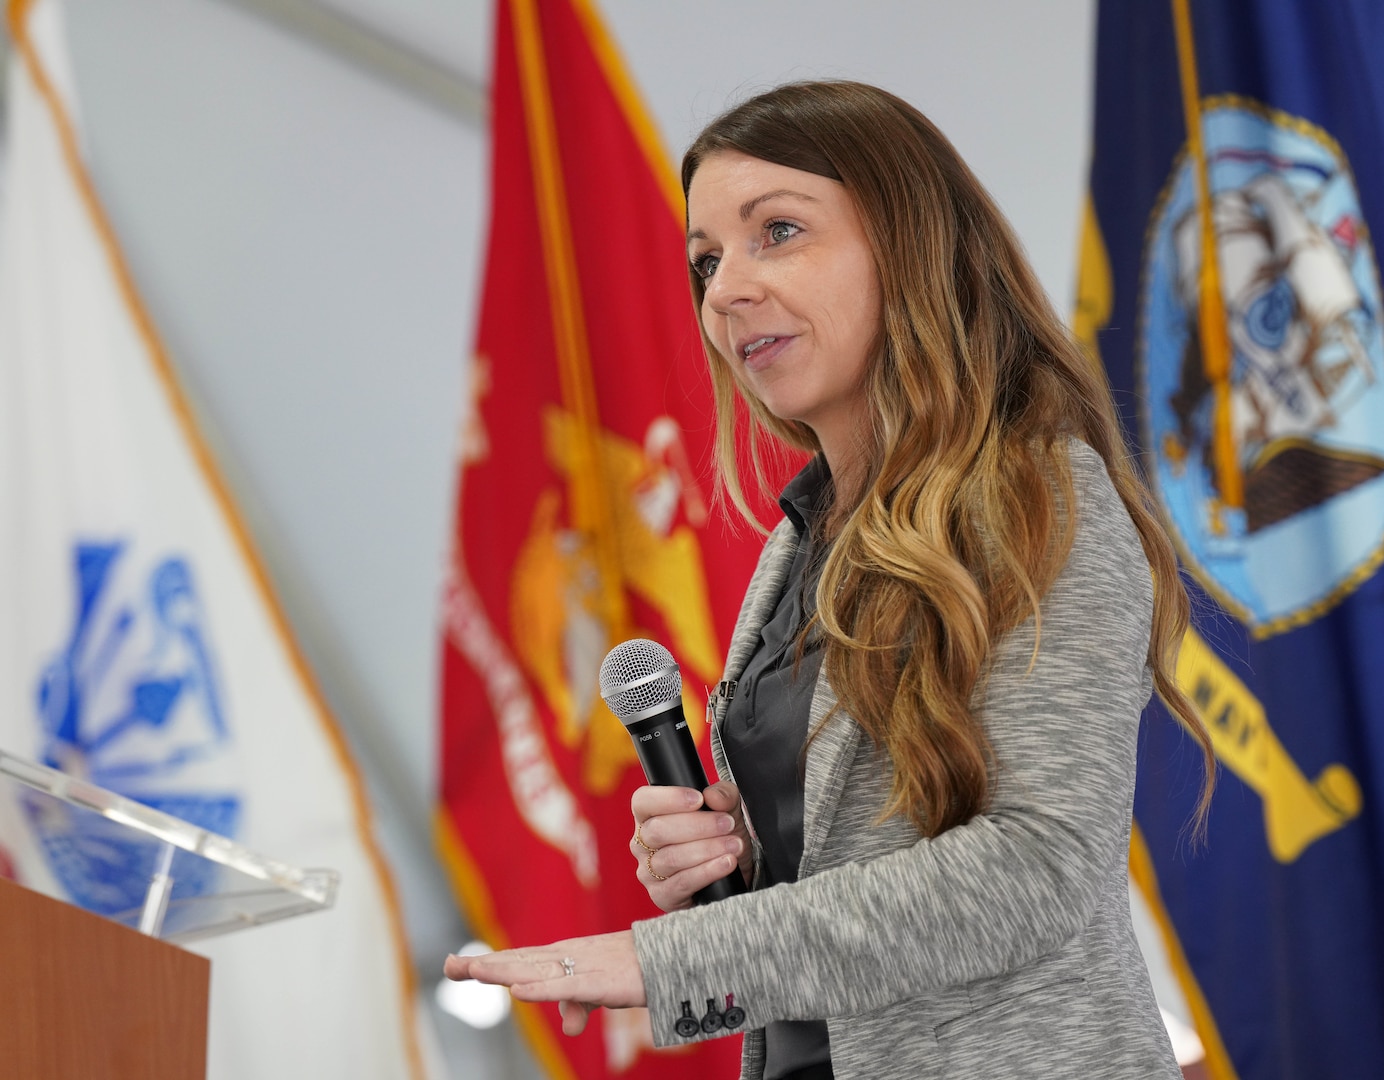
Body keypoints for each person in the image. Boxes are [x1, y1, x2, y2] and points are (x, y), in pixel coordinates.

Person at [445, 80, 1215, 1080]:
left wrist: (670, 958)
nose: (724, 291)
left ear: (906, 241)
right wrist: (729, 864)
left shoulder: (1034, 491)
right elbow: (858, 867)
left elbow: (1037, 868)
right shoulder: (803, 542)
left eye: (777, 232)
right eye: (706, 261)